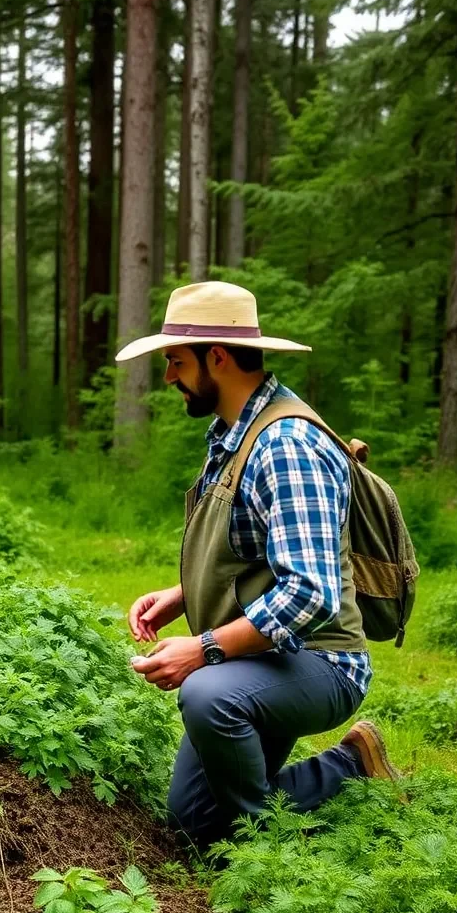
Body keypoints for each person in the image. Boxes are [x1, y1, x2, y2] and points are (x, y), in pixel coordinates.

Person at [120, 281, 399, 849]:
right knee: (195, 824)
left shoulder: (285, 445)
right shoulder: (234, 432)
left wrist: (202, 650)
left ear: (216, 358)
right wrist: (183, 592)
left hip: (321, 661)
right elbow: (260, 552)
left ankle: (262, 853)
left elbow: (312, 593)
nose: (169, 375)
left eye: (175, 360)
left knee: (206, 695)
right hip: (269, 653)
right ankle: (351, 765)